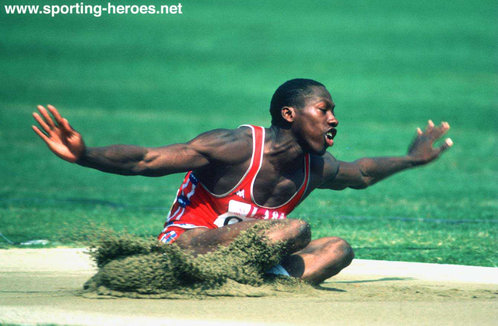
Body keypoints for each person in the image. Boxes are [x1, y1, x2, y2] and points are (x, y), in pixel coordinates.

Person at [32, 78, 452, 284]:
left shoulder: (315, 167)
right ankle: (232, 279)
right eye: (324, 110)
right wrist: (85, 155)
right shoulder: (234, 146)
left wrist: (412, 160)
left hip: (250, 259)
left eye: (333, 112)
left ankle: (255, 285)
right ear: (289, 115)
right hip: (187, 245)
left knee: (338, 249)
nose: (334, 119)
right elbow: (146, 159)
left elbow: (360, 173)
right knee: (294, 229)